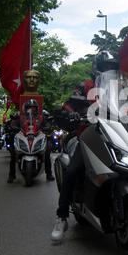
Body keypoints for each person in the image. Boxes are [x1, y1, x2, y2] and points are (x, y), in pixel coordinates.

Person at [50, 51, 116, 242]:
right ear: (98, 68)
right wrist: (70, 113)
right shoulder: (86, 86)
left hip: (116, 136)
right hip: (89, 135)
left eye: (112, 67)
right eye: (106, 67)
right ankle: (61, 217)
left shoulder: (120, 89)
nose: (109, 70)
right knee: (73, 170)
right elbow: (69, 104)